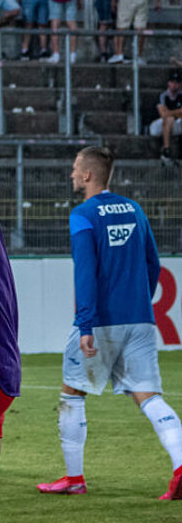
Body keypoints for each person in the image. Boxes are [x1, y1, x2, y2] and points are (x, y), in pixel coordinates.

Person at [39, 146, 182, 500]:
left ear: (88, 175)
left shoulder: (83, 215)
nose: (72, 174)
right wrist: (138, 301)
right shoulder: (135, 209)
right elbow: (153, 263)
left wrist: (85, 324)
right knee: (147, 395)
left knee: (72, 392)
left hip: (100, 322)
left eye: (75, 169)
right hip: (140, 319)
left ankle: (74, 479)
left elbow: (85, 273)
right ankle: (180, 466)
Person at [150, 70, 182, 161]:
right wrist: (177, 112)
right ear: (168, 83)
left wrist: (169, 112)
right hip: (158, 125)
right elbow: (163, 114)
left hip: (176, 124)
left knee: (171, 119)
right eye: (172, 82)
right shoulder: (163, 95)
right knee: (169, 119)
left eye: (177, 82)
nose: (174, 85)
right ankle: (166, 150)